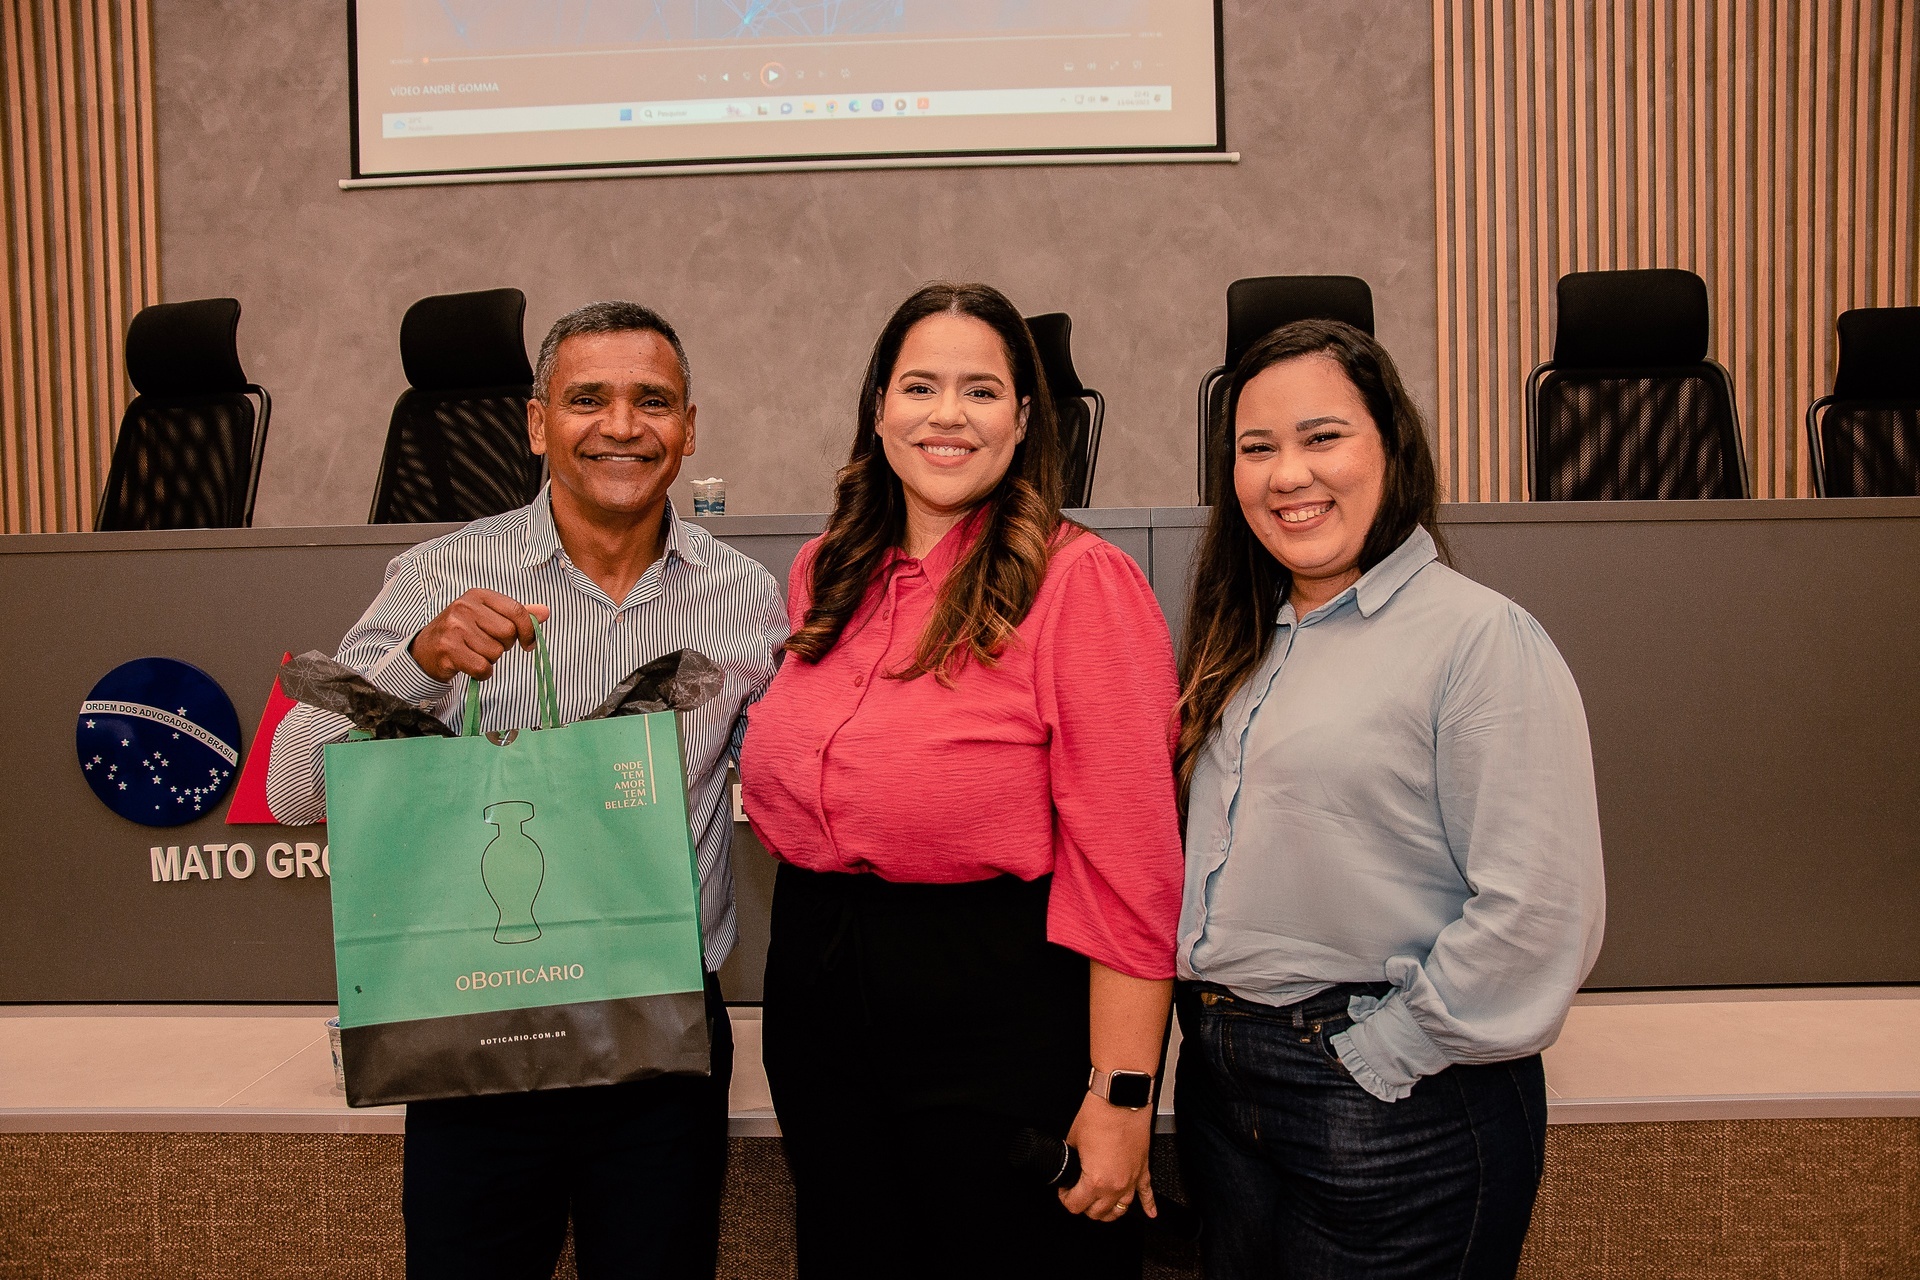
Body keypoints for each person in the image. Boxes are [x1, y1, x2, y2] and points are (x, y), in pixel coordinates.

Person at [267, 301, 786, 1279]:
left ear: (688, 428)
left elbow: (787, 783)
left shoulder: (746, 598)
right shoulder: (442, 573)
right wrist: (419, 663)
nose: (622, 425)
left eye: (653, 401)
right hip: (479, 1025)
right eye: (588, 399)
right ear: (539, 423)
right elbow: (295, 785)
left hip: (662, 1032)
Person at [739, 282, 1185, 1279]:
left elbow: (1130, 867)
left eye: (981, 391)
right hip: (818, 990)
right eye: (920, 386)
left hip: (995, 1003)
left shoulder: (1080, 582)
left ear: (1023, 420)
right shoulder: (824, 571)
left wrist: (1122, 1095)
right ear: (878, 409)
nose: (947, 414)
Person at [1172, 319, 1606, 1280]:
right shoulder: (1243, 639)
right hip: (1225, 1085)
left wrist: (1383, 1053)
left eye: (1322, 437)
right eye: (1256, 448)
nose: (1288, 474)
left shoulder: (1479, 639)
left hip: (1393, 1095)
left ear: (1393, 446)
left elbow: (1541, 909)